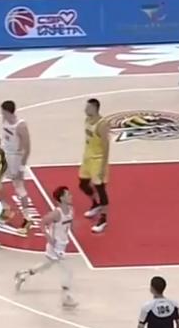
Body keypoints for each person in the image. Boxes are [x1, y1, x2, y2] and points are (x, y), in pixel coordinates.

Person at [13, 186, 77, 308]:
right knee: (67, 270)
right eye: (68, 195)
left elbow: (67, 225)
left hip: (62, 243)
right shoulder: (56, 213)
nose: (71, 196)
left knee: (46, 265)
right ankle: (66, 298)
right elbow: (42, 223)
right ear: (61, 198)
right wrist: (48, 237)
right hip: (55, 245)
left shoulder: (71, 210)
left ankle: (23, 274)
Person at [0, 100, 33, 236]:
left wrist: (21, 167)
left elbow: (27, 148)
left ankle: (27, 217)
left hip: (16, 158)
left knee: (19, 187)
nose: (1, 114)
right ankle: (5, 210)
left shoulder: (20, 126)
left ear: (7, 112)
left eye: (3, 112)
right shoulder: (5, 120)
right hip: (5, 155)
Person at [79, 98, 109, 233]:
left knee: (101, 189)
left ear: (94, 108)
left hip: (98, 160)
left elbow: (106, 146)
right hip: (87, 158)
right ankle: (95, 204)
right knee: (83, 184)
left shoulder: (102, 124)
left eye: (88, 108)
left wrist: (103, 166)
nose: (85, 110)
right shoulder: (87, 120)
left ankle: (103, 219)